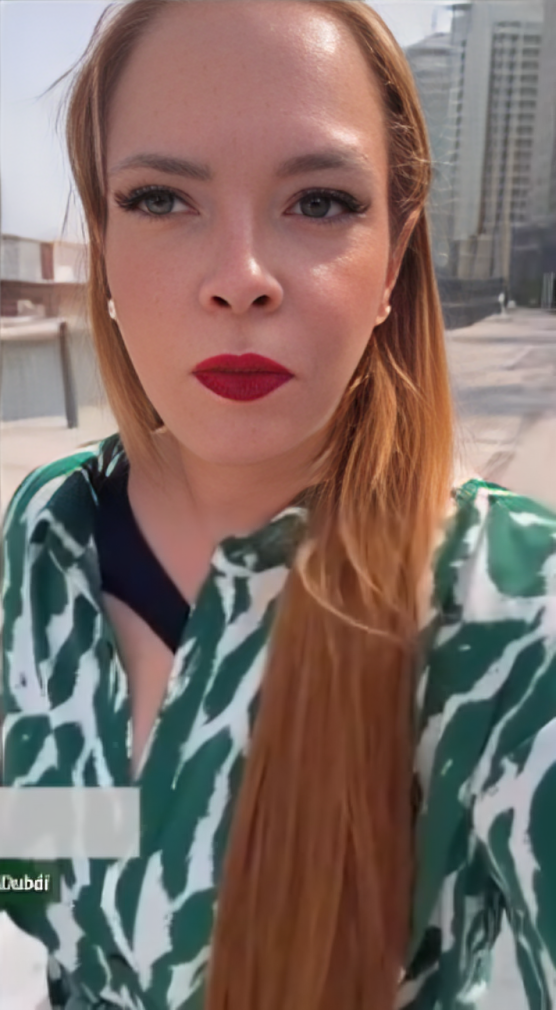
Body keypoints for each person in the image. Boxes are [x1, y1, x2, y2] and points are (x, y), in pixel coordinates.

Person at [1, 2, 555, 1008]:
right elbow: (43, 871)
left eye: (319, 202)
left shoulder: (512, 606)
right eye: (162, 199)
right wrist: (77, 869)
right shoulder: (51, 526)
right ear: (106, 248)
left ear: (393, 262)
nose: (240, 280)